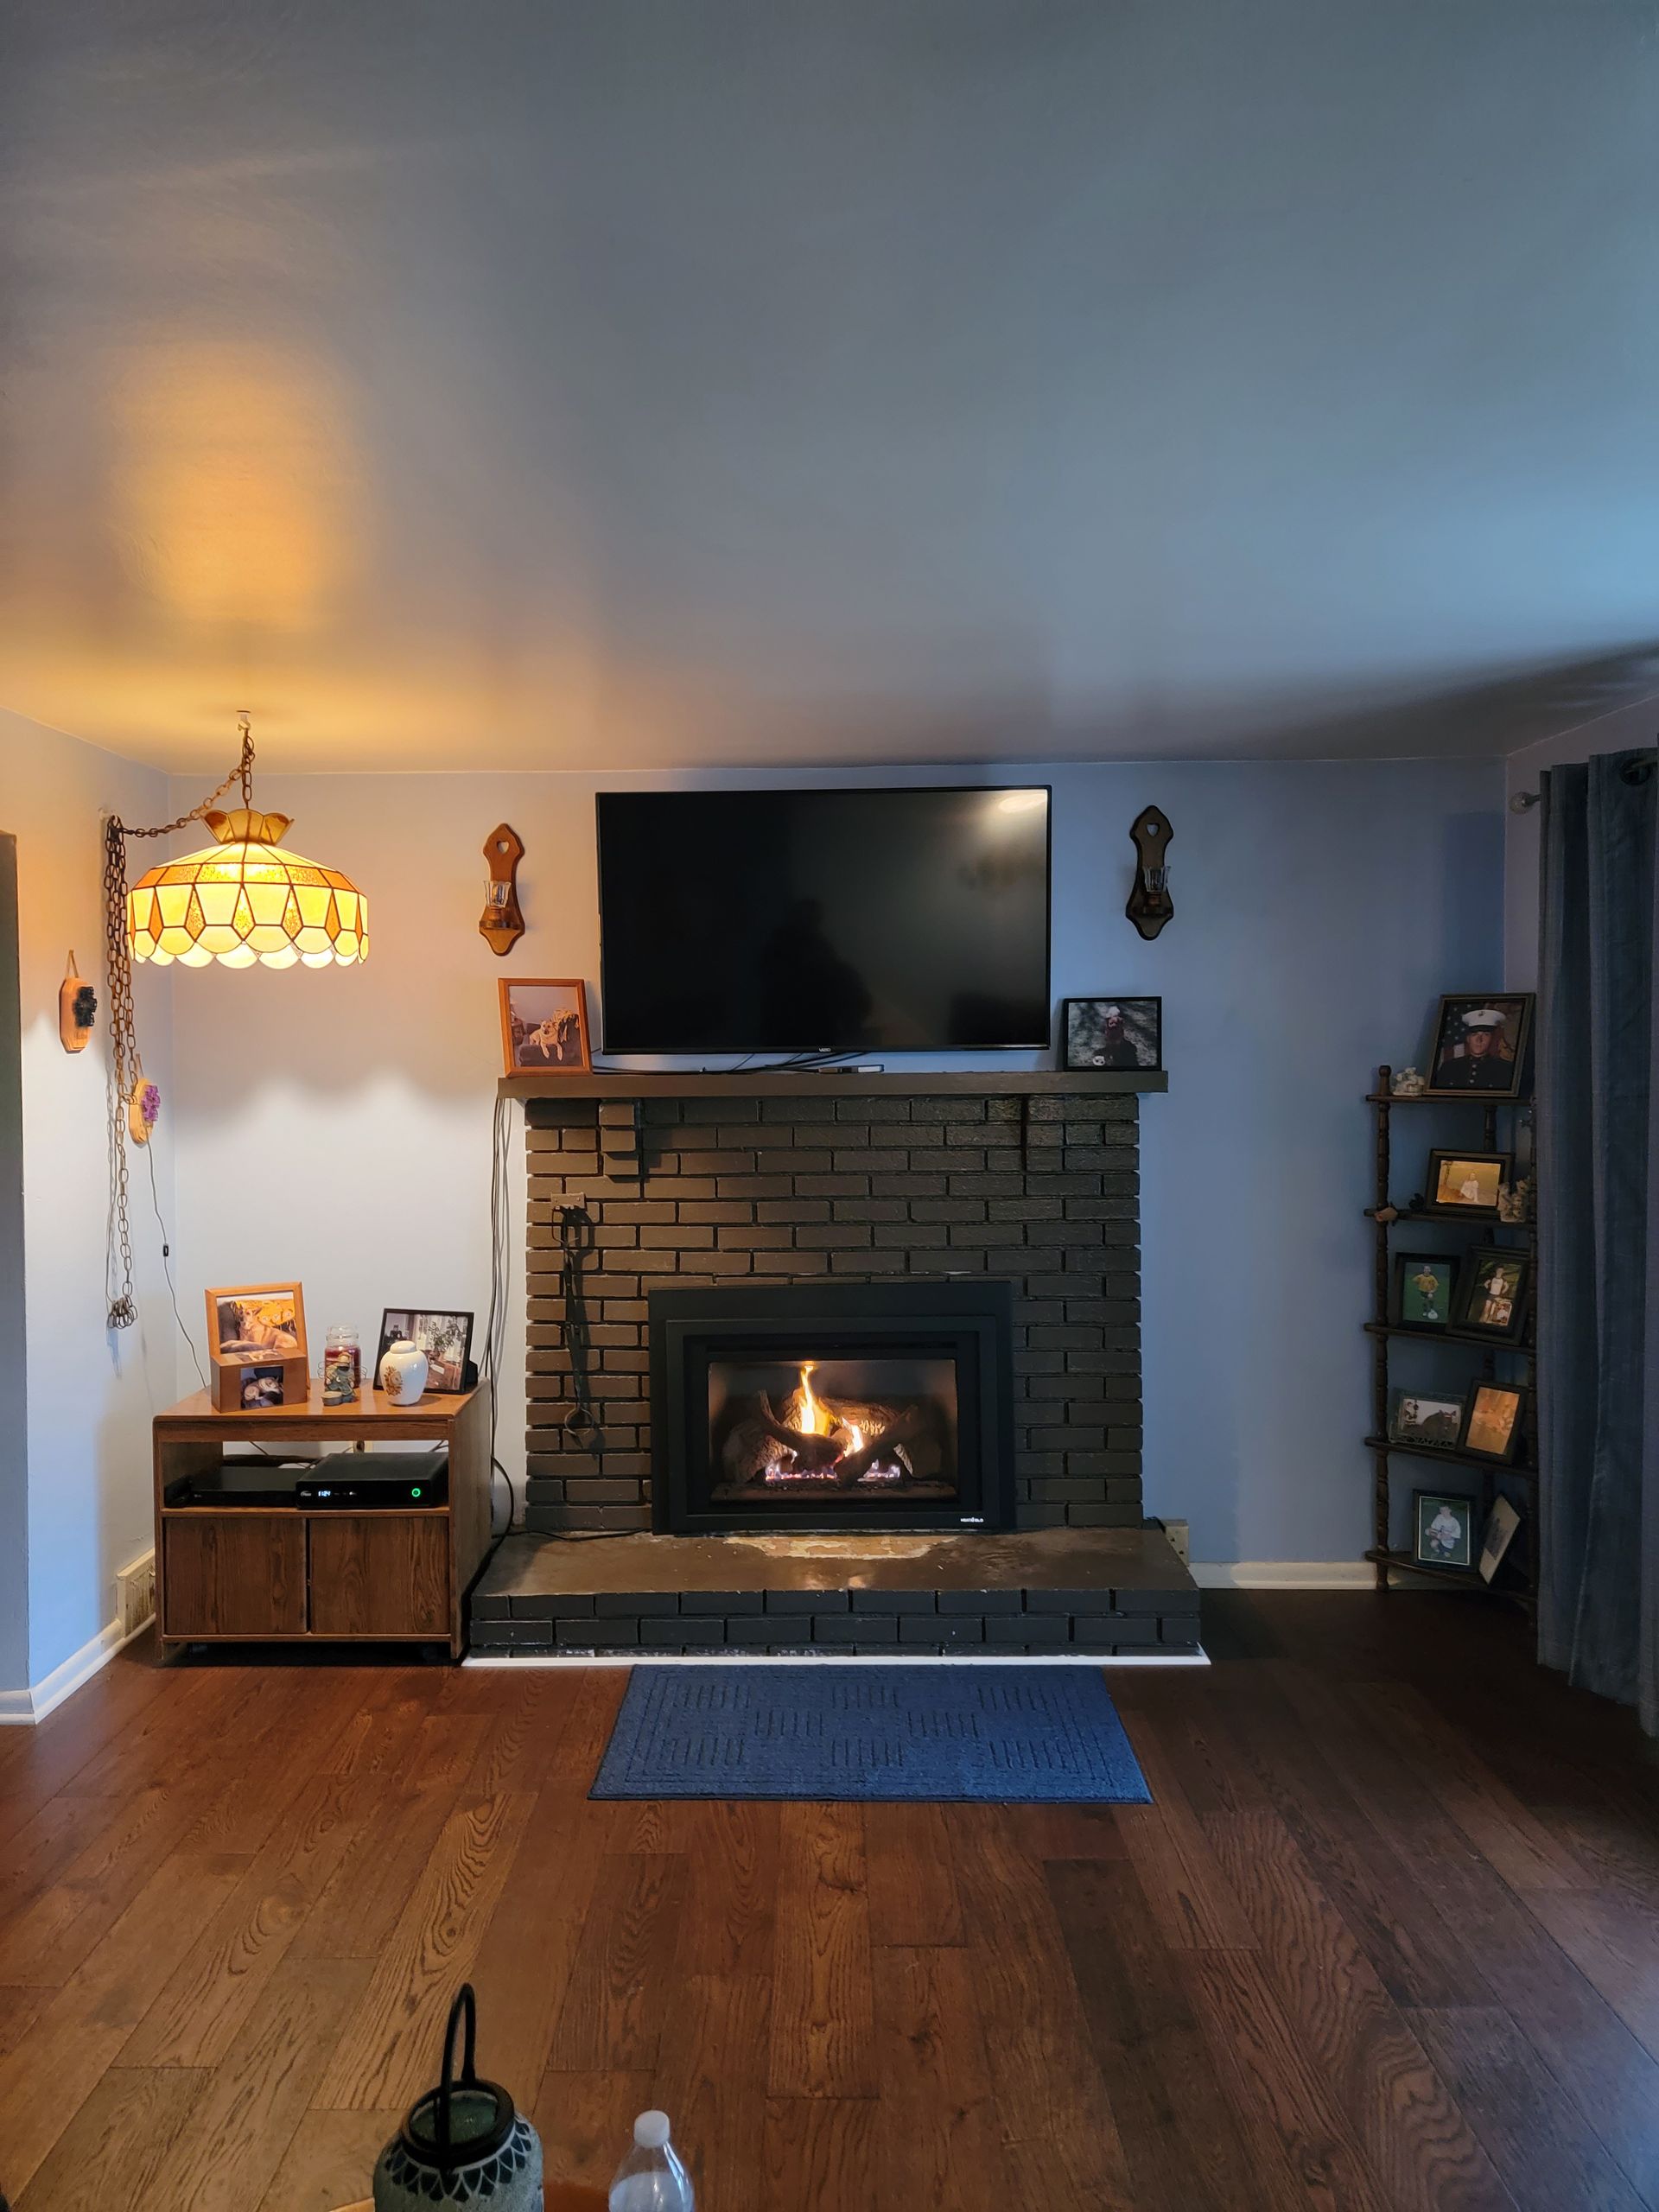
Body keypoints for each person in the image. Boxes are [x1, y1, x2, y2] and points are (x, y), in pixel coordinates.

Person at [1434, 1007, 1512, 1090]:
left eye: (1485, 1035)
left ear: (1492, 1039)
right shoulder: (1449, 1067)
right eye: (1474, 1035)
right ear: (1468, 1039)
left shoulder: (1505, 1069)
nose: (1479, 1040)